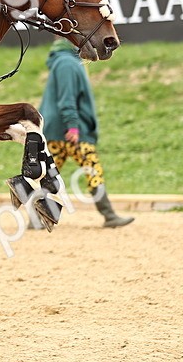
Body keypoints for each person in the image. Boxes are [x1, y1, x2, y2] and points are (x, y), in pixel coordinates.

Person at [39, 38, 133, 228]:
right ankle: (109, 215)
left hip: (57, 131)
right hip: (70, 132)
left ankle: (38, 220)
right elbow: (67, 98)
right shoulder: (67, 63)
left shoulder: (64, 61)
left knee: (49, 176)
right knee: (92, 169)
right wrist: (73, 126)